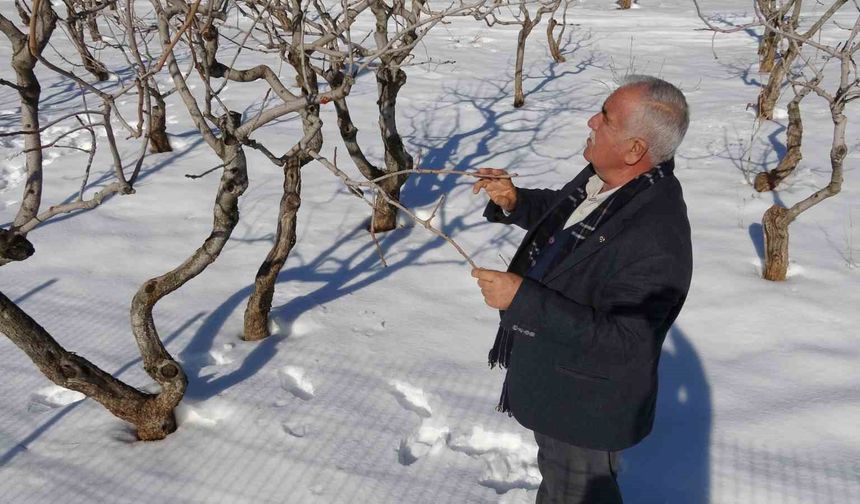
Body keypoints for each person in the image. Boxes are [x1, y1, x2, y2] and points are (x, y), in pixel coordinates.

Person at [470, 75, 693, 503]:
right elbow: (571, 220)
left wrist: (523, 300)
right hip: (559, 383)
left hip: (585, 405)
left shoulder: (657, 235)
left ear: (634, 150)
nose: (591, 121)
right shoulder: (613, 181)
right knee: (558, 484)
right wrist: (515, 202)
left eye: (605, 118)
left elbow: (628, 342)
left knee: (577, 494)